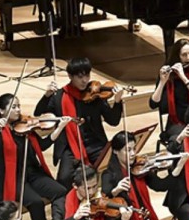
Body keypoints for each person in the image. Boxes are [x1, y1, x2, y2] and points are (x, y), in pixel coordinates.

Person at [35, 57, 125, 188]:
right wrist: (47, 95)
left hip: (95, 144)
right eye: (80, 76)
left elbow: (113, 121)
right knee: (64, 179)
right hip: (70, 146)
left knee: (114, 171)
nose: (85, 80)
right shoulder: (60, 96)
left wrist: (117, 102)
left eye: (87, 75)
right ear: (70, 76)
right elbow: (39, 113)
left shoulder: (96, 95)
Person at [0, 93, 69, 220]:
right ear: (1, 111)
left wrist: (59, 128)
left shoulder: (26, 126)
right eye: (13, 107)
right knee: (36, 202)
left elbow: (42, 146)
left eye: (19, 106)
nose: (18, 110)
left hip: (32, 173)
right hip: (10, 178)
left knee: (60, 191)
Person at [149, 38, 189, 137]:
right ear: (177, 56)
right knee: (186, 139)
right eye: (184, 55)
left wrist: (183, 77)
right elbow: (153, 104)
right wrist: (162, 82)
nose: (188, 58)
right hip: (176, 123)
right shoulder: (168, 75)